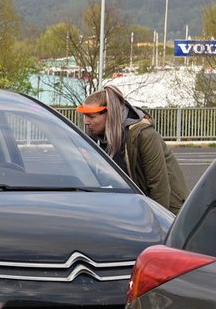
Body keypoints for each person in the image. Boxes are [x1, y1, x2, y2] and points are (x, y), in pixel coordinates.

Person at [79, 85, 188, 213]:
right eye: (85, 116)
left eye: (91, 116)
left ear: (111, 113)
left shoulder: (144, 135)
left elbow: (159, 186)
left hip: (168, 211)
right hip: (135, 208)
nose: (86, 122)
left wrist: (157, 223)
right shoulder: (97, 139)